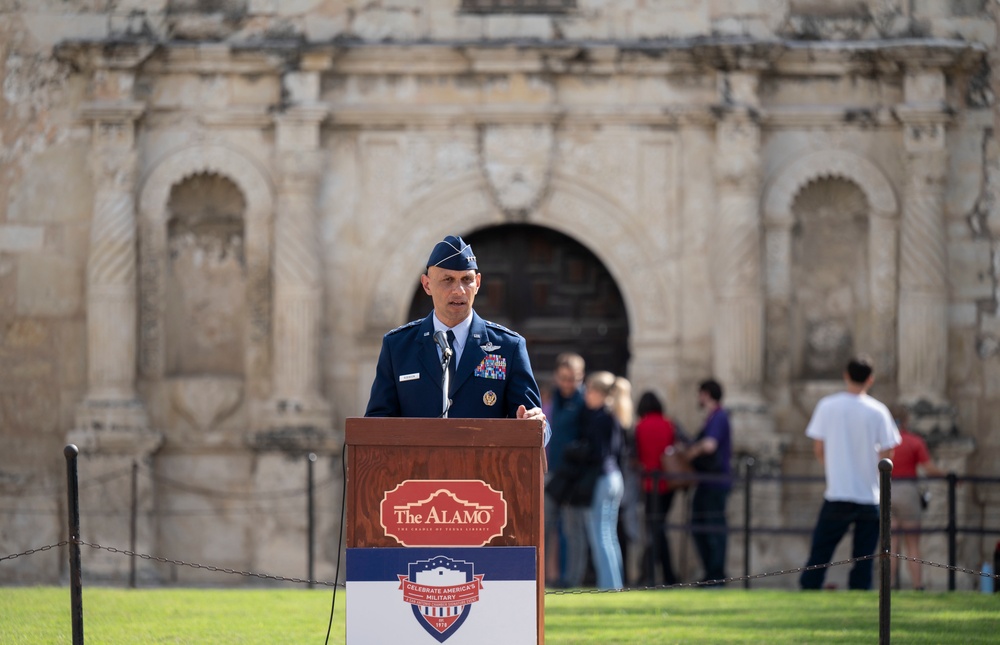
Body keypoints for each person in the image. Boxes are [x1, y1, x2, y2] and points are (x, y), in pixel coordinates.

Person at [365, 234, 548, 439]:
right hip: (416, 470)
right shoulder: (398, 346)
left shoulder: (508, 347)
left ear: (478, 283)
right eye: (448, 280)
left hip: (486, 469)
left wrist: (535, 424)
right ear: (427, 285)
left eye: (466, 280)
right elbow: (376, 425)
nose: (459, 290)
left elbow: (537, 428)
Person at [799, 355, 901, 591]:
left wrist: (836, 468)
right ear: (871, 379)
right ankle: (860, 593)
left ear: (846, 375)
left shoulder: (827, 405)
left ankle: (809, 588)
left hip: (838, 492)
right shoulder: (878, 410)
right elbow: (888, 453)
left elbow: (819, 449)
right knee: (864, 558)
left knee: (820, 551)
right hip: (869, 494)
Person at [544, 353, 589, 588]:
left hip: (574, 476)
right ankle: (539, 578)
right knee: (544, 525)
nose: (568, 383)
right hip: (552, 474)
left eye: (573, 379)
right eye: (563, 378)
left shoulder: (585, 402)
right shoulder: (554, 399)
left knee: (573, 530)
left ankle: (573, 580)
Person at [889, 405, 946, 590]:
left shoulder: (884, 442)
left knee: (890, 544)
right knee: (913, 543)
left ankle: (888, 586)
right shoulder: (914, 441)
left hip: (887, 489)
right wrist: (947, 474)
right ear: (906, 421)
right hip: (908, 491)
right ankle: (917, 585)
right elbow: (928, 468)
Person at [579, 371, 627, 590]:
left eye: (590, 390)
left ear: (599, 393)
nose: (586, 395)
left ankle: (608, 586)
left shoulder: (600, 417)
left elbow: (597, 453)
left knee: (600, 535)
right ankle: (614, 584)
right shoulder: (614, 415)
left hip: (603, 478)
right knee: (609, 534)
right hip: (615, 477)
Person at [683, 378, 732, 586]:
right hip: (707, 482)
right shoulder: (713, 417)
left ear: (706, 394)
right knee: (700, 527)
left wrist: (690, 452)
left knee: (713, 528)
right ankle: (711, 573)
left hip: (715, 483)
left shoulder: (719, 417)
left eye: (700, 393)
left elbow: (710, 445)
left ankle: (716, 575)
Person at [634, 391, 680, 586]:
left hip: (650, 484)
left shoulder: (640, 427)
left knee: (655, 530)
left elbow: (636, 456)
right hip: (668, 483)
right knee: (658, 529)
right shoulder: (669, 424)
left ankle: (653, 573)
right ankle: (661, 574)